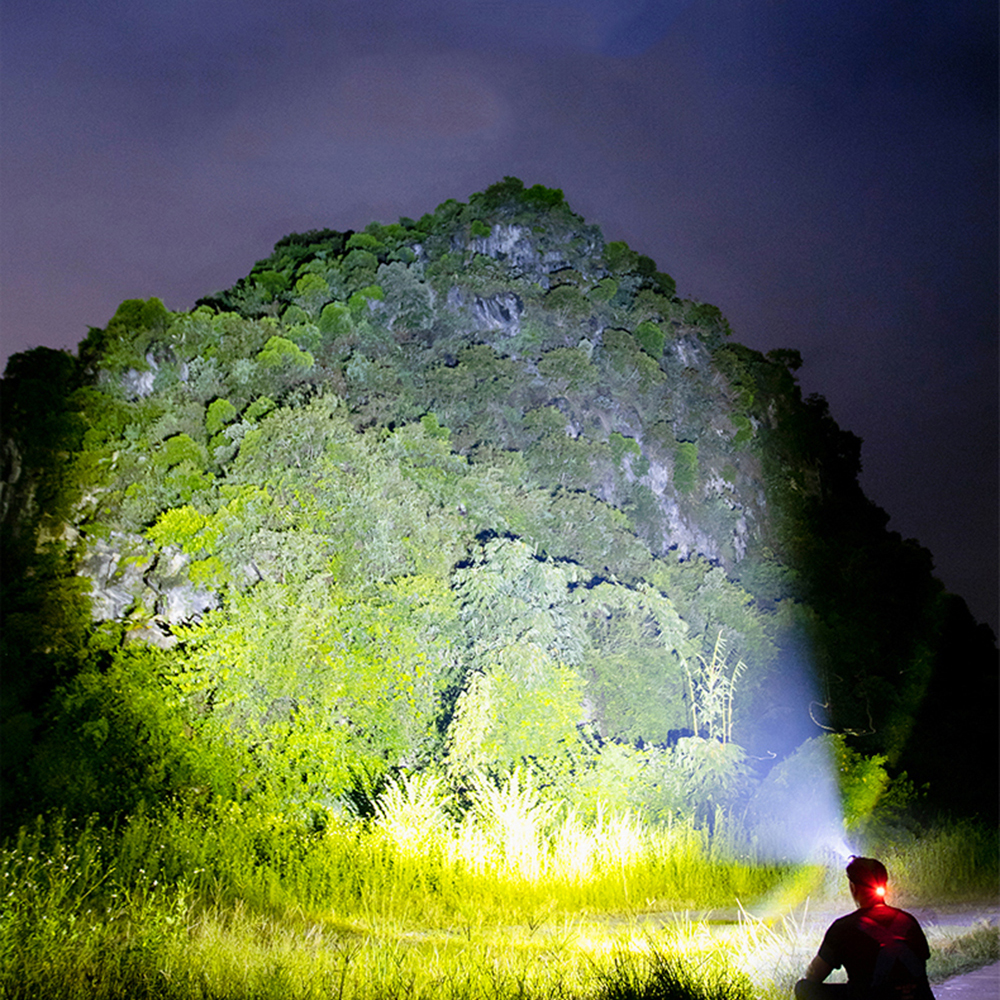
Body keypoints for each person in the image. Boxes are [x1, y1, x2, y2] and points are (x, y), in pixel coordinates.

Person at [794, 856, 935, 1000]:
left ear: (853, 888)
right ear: (884, 886)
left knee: (804, 988)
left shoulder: (843, 928)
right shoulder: (909, 921)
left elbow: (814, 974)